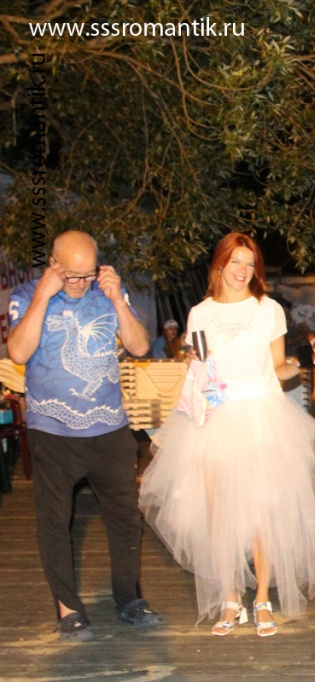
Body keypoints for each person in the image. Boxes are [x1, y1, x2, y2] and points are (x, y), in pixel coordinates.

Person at [139, 233, 315, 637]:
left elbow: (278, 368)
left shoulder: (268, 310)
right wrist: (194, 368)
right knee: (219, 515)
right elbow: (202, 369)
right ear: (220, 265)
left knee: (262, 512)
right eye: (236, 262)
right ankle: (230, 597)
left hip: (262, 416)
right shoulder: (200, 313)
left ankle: (262, 597)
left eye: (250, 263)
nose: (243, 270)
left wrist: (303, 361)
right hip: (216, 420)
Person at [7, 230, 163, 642]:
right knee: (55, 521)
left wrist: (117, 300)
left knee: (125, 516)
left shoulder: (107, 291)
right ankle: (68, 607)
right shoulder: (27, 295)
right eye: (71, 275)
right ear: (53, 264)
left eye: (87, 274)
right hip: (52, 430)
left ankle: (129, 597)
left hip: (109, 428)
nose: (80, 284)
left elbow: (140, 347)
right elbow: (18, 352)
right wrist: (43, 297)